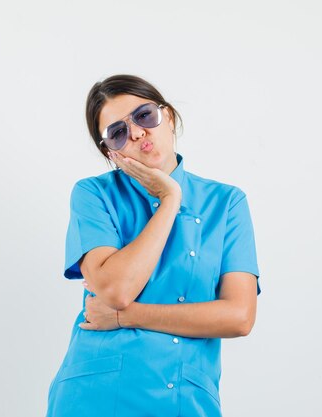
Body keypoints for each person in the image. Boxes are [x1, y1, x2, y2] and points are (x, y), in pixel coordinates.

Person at [45, 74, 261, 417]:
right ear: (111, 152)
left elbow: (238, 317)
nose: (136, 133)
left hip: (186, 398)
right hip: (97, 396)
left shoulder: (227, 202)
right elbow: (116, 289)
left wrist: (126, 316)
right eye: (117, 133)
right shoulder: (94, 195)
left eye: (144, 116)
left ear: (169, 117)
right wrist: (170, 198)